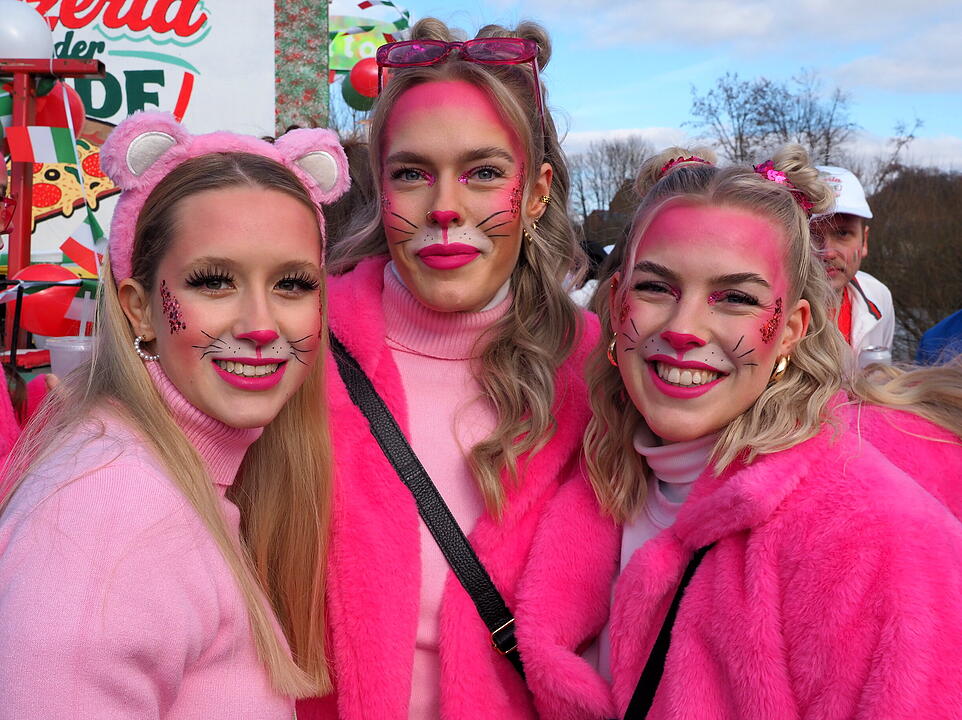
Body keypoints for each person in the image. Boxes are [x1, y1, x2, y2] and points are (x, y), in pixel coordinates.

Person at [515, 145, 962, 720]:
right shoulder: (585, 478)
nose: (683, 329)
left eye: (735, 298)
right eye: (656, 288)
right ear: (616, 297)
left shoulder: (874, 537)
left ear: (793, 329)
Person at [0, 111, 350, 718]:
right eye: (215, 282)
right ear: (138, 309)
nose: (261, 325)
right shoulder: (112, 510)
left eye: (293, 284)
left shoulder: (164, 477)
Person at [296, 18, 598, 720]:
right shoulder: (296, 349)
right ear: (381, 185)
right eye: (412, 174)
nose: (445, 209)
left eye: (484, 172)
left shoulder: (607, 377)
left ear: (536, 191)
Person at [810, 165, 894, 356]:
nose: (828, 253)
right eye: (812, 234)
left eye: (843, 233)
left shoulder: (879, 297)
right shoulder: (770, 307)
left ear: (865, 241)